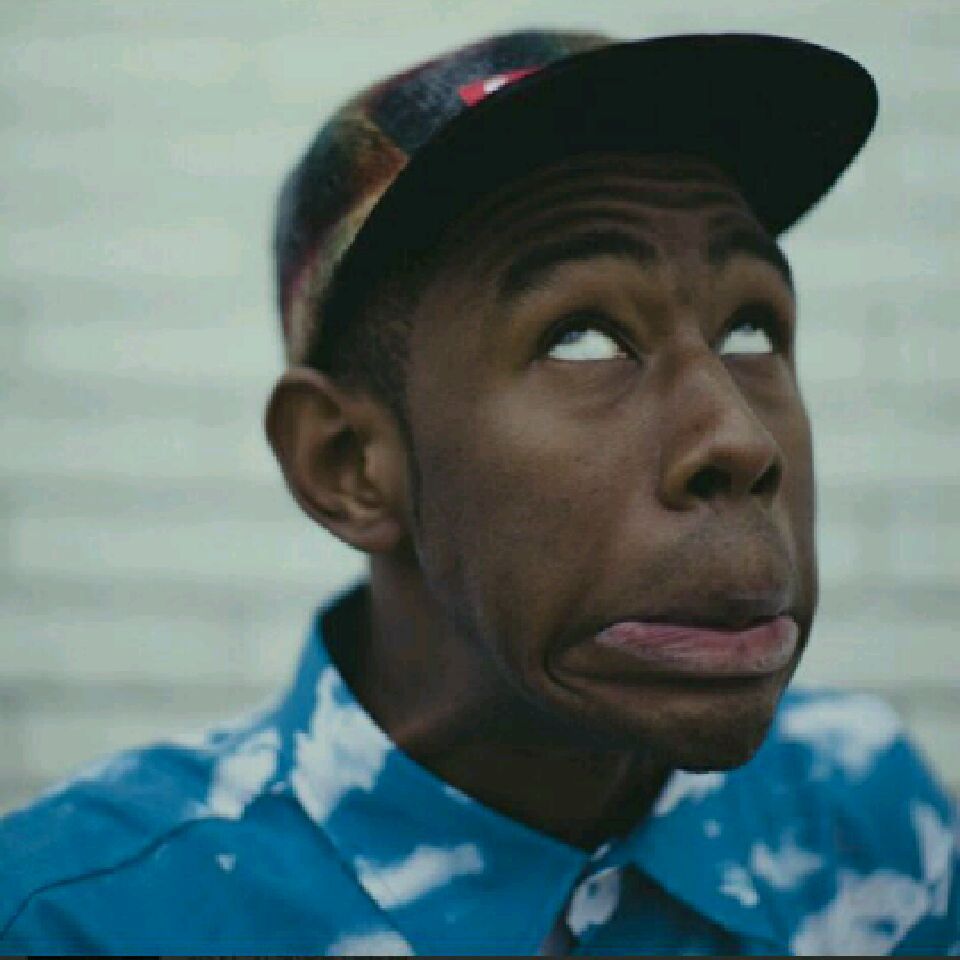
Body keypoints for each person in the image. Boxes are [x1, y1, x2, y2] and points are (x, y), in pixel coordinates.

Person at [1, 29, 957, 956]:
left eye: (751, 328)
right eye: (582, 338)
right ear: (347, 464)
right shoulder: (84, 920)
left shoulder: (865, 816)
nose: (741, 441)